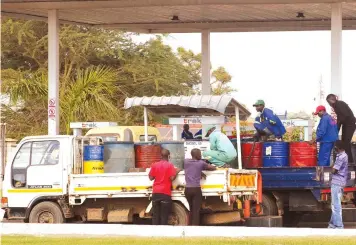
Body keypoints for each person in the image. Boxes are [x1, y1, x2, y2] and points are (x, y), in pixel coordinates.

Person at [184, 148, 216, 226]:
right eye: (200, 154)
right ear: (197, 155)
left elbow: (192, 168)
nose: (201, 155)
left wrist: (200, 171)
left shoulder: (186, 162)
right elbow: (212, 168)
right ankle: (195, 226)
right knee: (196, 210)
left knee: (191, 209)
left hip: (187, 189)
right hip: (196, 189)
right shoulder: (201, 163)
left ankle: (189, 225)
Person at [149, 149, 180, 225]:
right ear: (169, 156)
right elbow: (172, 178)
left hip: (155, 193)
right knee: (164, 216)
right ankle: (163, 232)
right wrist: (176, 171)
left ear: (160, 156)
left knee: (155, 215)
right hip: (165, 193)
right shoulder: (170, 165)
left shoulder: (154, 165)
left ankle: (155, 233)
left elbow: (151, 178)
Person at [326, 94, 356, 164]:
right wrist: (337, 128)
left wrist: (337, 127)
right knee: (344, 142)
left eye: (328, 102)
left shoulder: (339, 104)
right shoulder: (337, 106)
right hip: (346, 125)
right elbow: (341, 118)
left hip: (350, 124)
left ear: (331, 100)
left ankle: (350, 161)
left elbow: (344, 116)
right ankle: (348, 160)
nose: (329, 104)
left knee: (346, 142)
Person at [328, 140, 348, 229]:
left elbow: (334, 170)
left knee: (335, 205)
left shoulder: (341, 157)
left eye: (335, 147)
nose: (334, 148)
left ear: (338, 148)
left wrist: (331, 167)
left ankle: (339, 226)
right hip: (340, 182)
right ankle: (332, 225)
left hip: (337, 182)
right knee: (335, 204)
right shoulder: (343, 155)